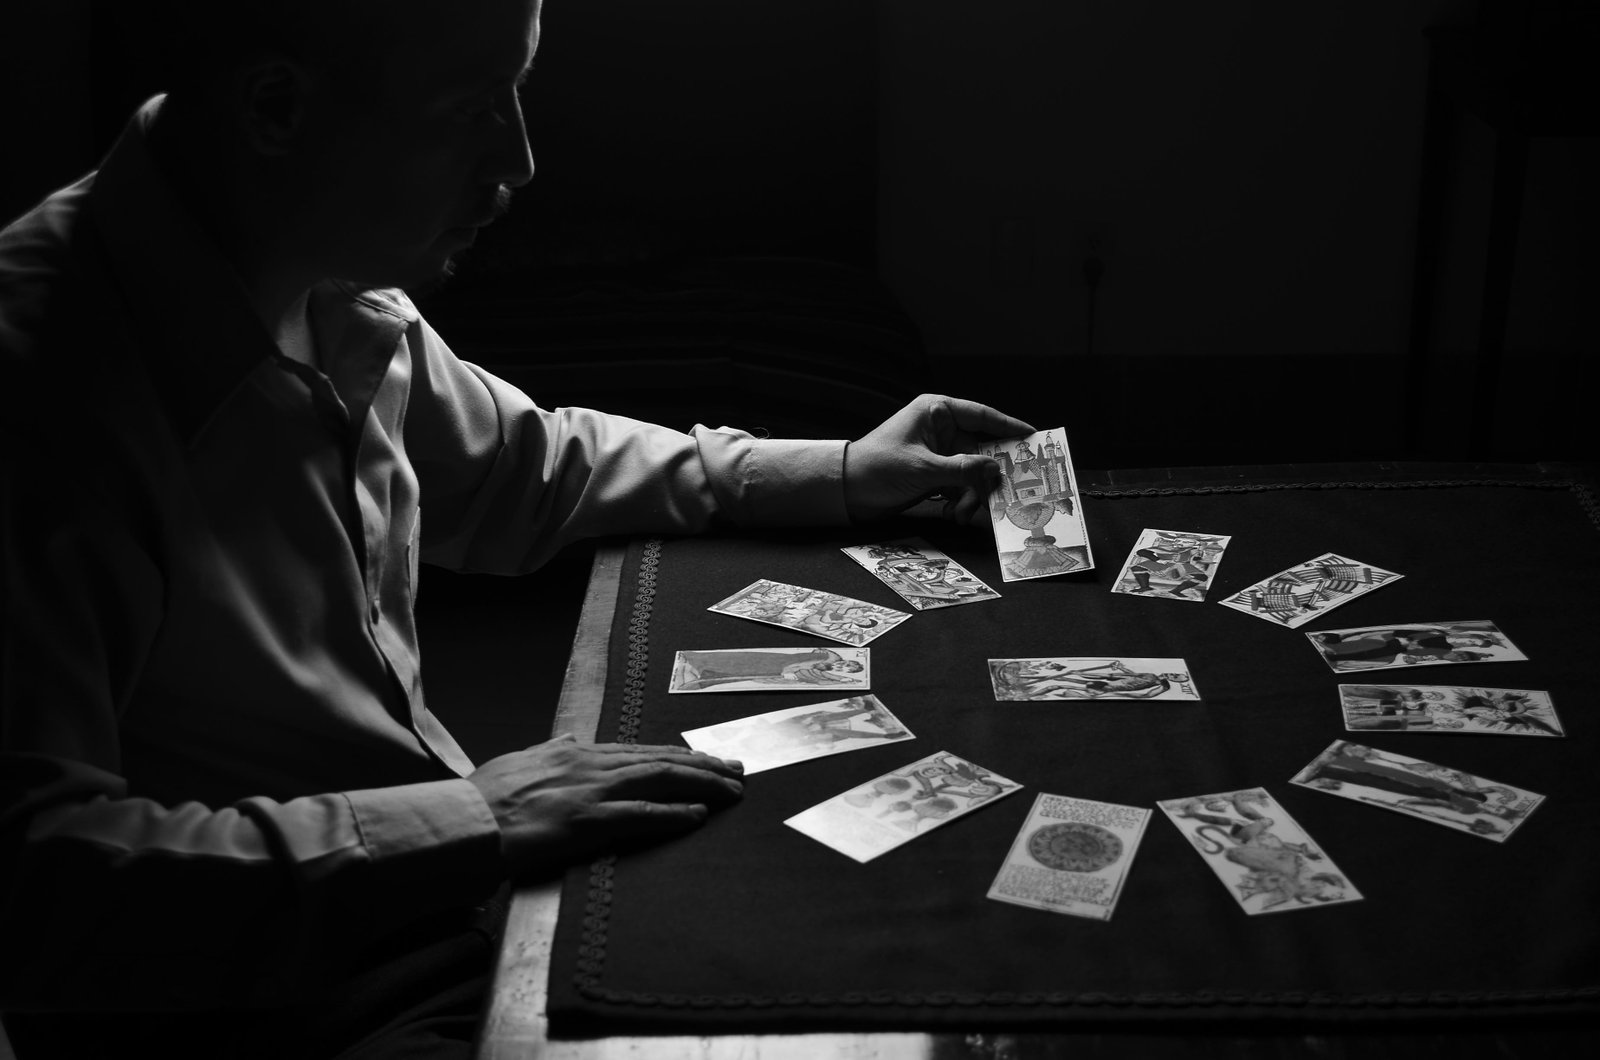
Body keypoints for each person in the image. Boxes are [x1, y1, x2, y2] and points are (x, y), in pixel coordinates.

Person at [0, 1, 1033, 1056]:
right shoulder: (39, 394)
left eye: (520, 93)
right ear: (276, 107)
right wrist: (471, 820)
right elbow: (35, 885)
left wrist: (844, 468)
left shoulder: (326, 268)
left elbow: (529, 467)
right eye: (473, 108)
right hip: (248, 1004)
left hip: (428, 904)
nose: (524, 159)